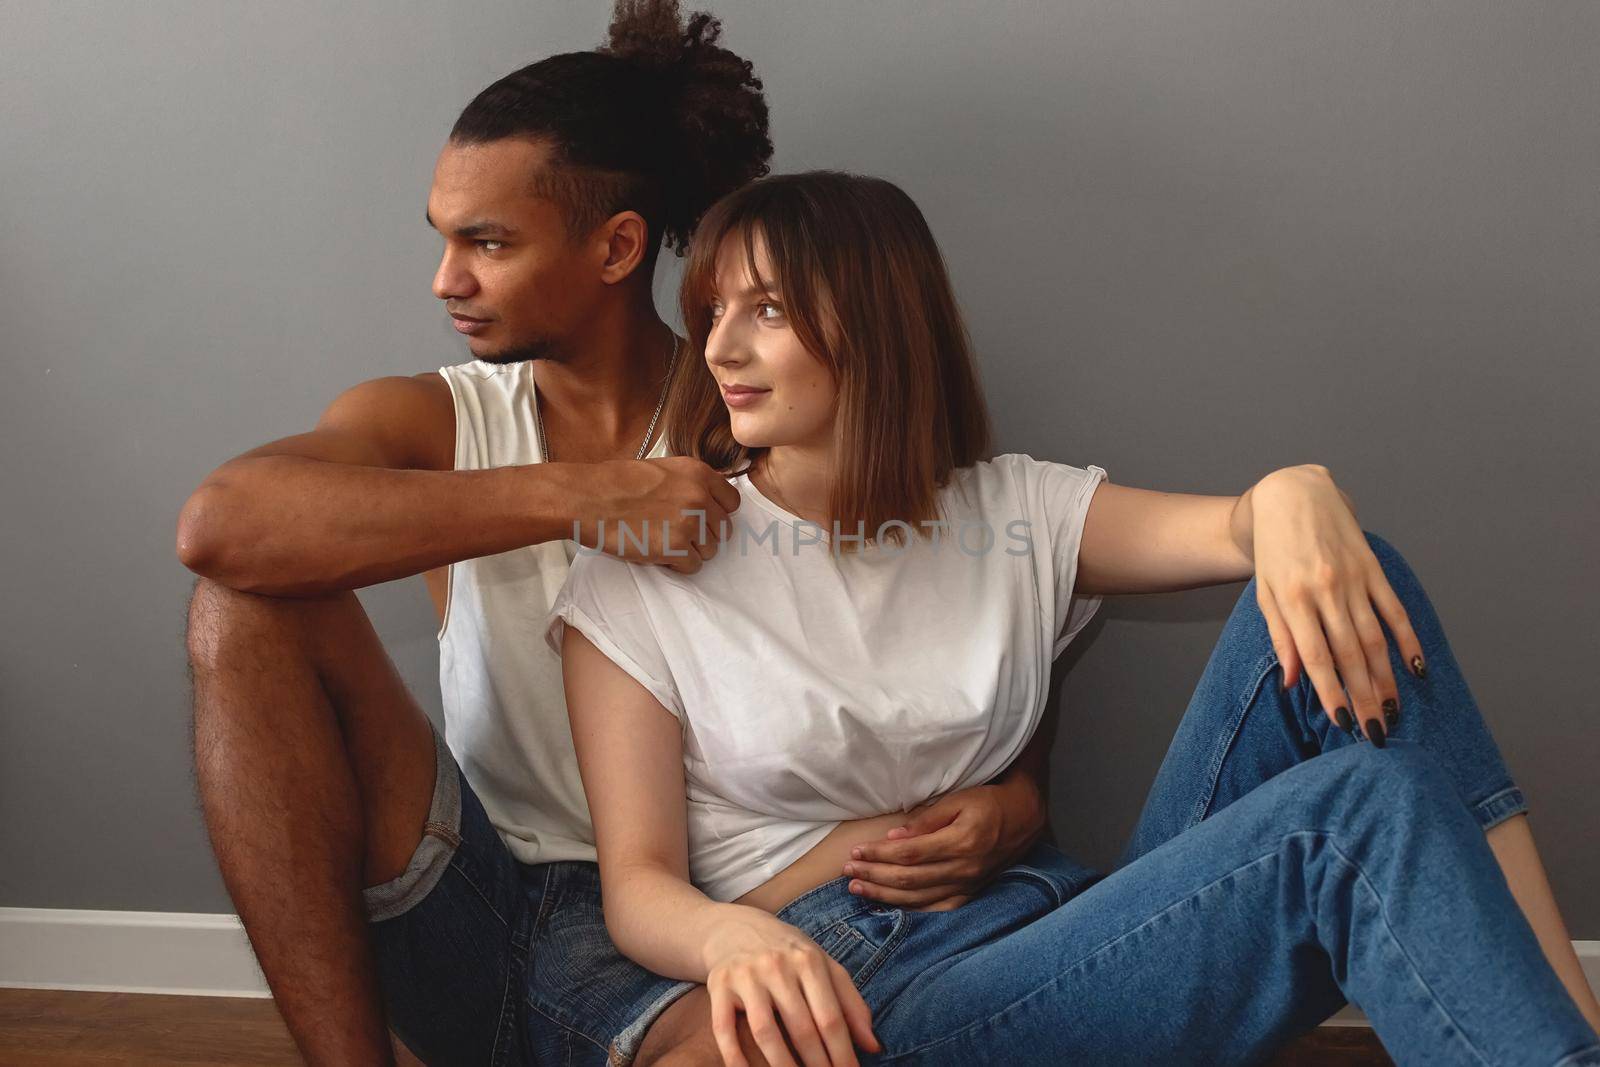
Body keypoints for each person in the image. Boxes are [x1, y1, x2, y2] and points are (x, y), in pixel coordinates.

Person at [545, 169, 1600, 1067]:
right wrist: (736, 940)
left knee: (1358, 577)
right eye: (713, 309)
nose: (721, 346)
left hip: (1060, 919)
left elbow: (1244, 531)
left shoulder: (1004, 509)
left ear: (871, 321)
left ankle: (1567, 1028)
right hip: (882, 992)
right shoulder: (652, 562)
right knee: (1348, 813)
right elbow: (636, 887)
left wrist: (1289, 491)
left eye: (766, 310)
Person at [174, 4, 992, 1064]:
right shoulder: (435, 417)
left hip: (704, 903)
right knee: (238, 606)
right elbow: (221, 523)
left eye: (489, 242)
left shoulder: (755, 405)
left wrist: (1008, 806)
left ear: (616, 246)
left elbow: (955, 621)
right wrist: (581, 495)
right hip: (477, 888)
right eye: (444, 237)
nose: (446, 279)